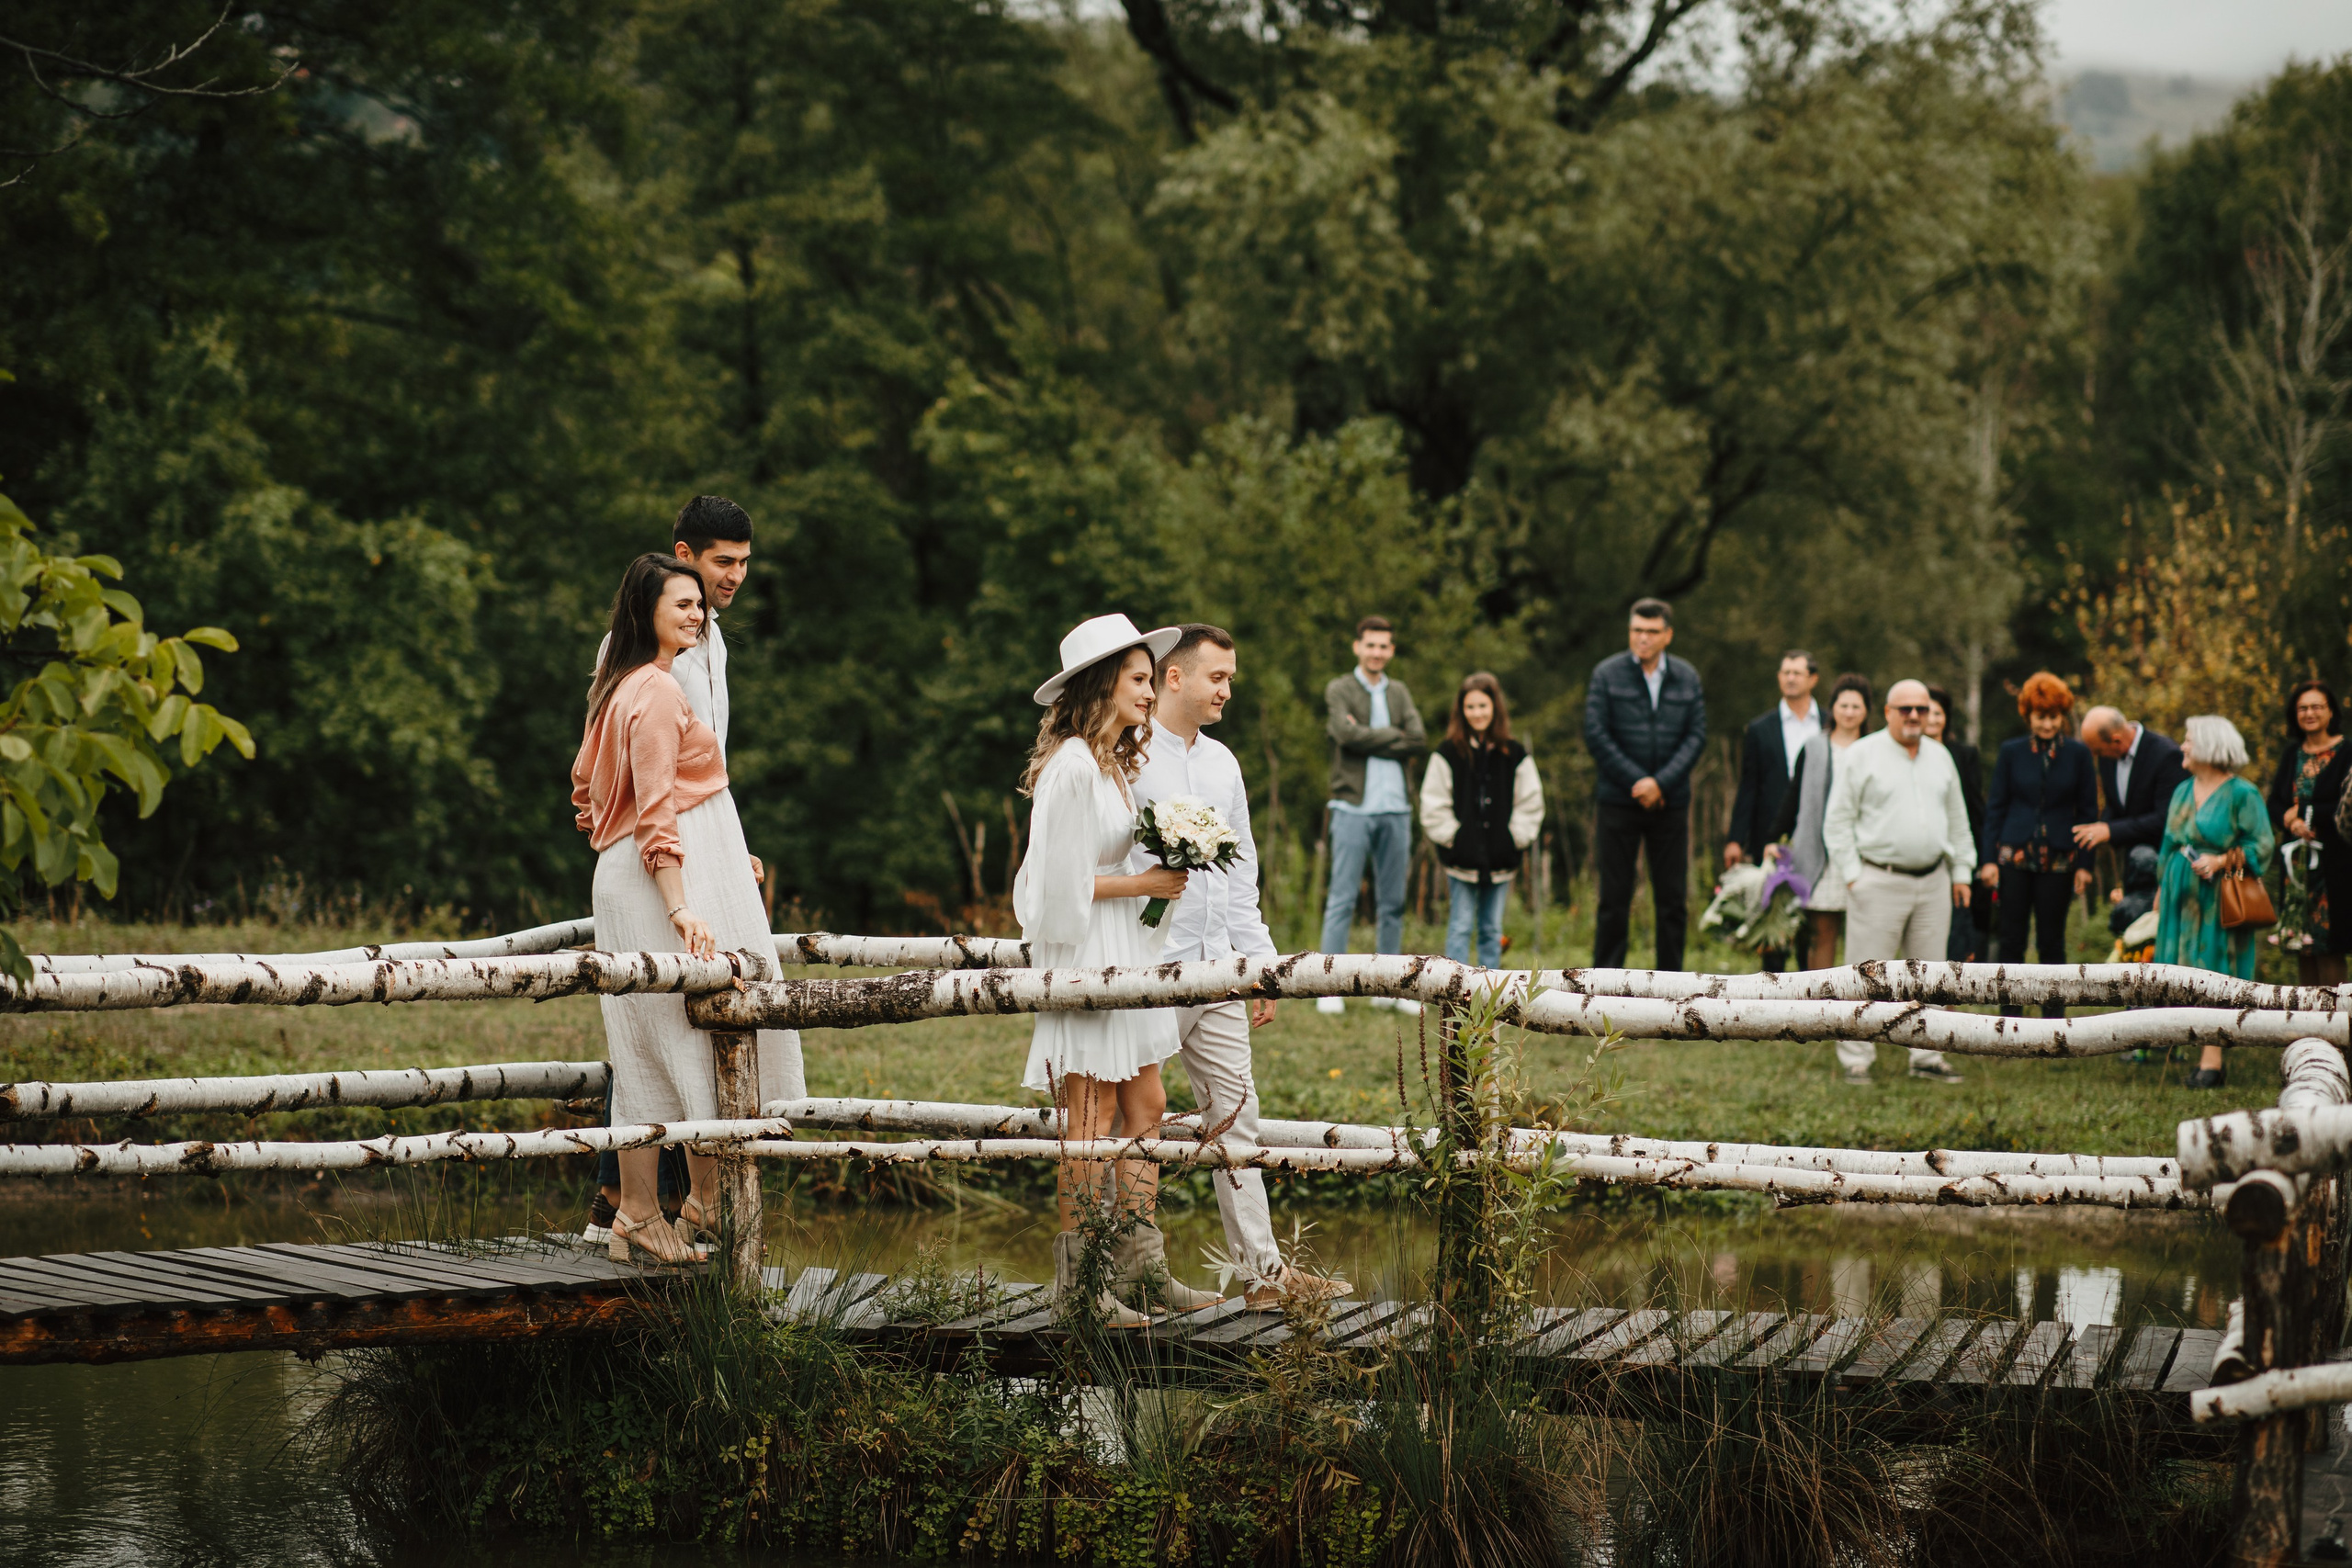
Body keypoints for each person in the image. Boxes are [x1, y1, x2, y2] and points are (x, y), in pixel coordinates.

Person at [582, 497, 805, 1248]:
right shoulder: (647, 678)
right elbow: (648, 798)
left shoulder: (677, 664)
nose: (715, 599)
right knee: (671, 1033)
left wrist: (716, 840)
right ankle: (636, 1207)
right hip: (661, 866)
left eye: (745, 564)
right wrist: (670, 870)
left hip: (682, 852)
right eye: (715, 572)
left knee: (680, 1029)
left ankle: (685, 1205)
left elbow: (599, 784)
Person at [1134, 626, 1350, 1308]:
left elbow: (1241, 872)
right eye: (1217, 677)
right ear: (1175, 678)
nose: (1227, 690)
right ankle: (1134, 1271)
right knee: (1133, 1120)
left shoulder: (1225, 763)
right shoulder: (1131, 757)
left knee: (1238, 1114)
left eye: (1230, 679)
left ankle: (1263, 1275)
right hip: (1147, 971)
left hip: (1220, 968)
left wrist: (1258, 963)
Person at [1014, 614, 1193, 1324]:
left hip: (1123, 947)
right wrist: (1144, 884)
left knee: (1145, 1105)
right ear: (1102, 685)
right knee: (1087, 1115)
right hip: (1084, 950)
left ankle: (1141, 1269)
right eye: (1140, 679)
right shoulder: (1070, 767)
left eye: (1151, 680)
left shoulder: (1113, 761)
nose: (1151, 692)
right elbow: (1059, 887)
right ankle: (1081, 1287)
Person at [1821, 679, 1973, 1086]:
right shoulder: (1862, 754)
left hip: (1933, 882)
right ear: (1887, 711)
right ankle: (1856, 1058)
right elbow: (1837, 822)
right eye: (1904, 709)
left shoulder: (1940, 756)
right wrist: (1854, 876)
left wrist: (1962, 871)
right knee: (1864, 974)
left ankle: (1926, 1056)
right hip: (1877, 880)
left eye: (1921, 709)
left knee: (1931, 975)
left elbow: (1958, 820)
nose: (1913, 716)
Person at [1583, 598, 1706, 971]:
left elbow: (1696, 736)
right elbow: (1596, 733)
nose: (1643, 638)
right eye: (1637, 630)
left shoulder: (1687, 677)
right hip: (1618, 800)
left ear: (1667, 635)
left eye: (1652, 632)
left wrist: (1660, 783)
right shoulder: (1607, 674)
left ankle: (1673, 989)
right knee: (1613, 898)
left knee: (1672, 899)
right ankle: (1603, 984)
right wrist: (1637, 781)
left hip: (1669, 802)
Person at [2158, 716, 2278, 1089]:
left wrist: (2222, 860)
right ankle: (2187, 1045)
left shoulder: (2243, 794)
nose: (2182, 746)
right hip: (2181, 893)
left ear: (2209, 746)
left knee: (2213, 970)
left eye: (2189, 739)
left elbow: (2262, 845)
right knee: (2179, 966)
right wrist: (2161, 889)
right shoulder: (2182, 790)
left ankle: (2213, 1060)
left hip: (2220, 898)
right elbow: (2168, 843)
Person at [1316, 616, 1427, 1015]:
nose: (1377, 652)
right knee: (1342, 898)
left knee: (1392, 901)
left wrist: (1367, 734)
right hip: (1352, 807)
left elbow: (1417, 739)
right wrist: (1391, 736)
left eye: (1384, 646)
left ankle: (1389, 987)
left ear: (1391, 651)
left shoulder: (1399, 691)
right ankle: (1328, 986)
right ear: (1357, 647)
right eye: (1371, 645)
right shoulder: (1339, 688)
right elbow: (1344, 736)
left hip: (1396, 808)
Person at [1975, 673, 2098, 1015]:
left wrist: (2086, 865)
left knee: (2051, 940)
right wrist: (1988, 860)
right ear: (2028, 715)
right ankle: (2011, 1017)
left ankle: (2052, 1019)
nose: (2047, 723)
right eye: (2040, 716)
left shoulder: (2078, 755)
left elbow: (2089, 812)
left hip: (2059, 860)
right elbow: (1995, 807)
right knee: (2012, 938)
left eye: (2053, 716)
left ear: (2062, 717)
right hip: (2014, 857)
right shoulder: (2011, 752)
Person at [1419, 672, 1545, 968]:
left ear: (1495, 708)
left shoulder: (1514, 754)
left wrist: (1514, 838)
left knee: (1491, 930)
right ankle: (1454, 998)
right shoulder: (1447, 753)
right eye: (1470, 707)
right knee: (1460, 926)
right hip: (1461, 859)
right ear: (1461, 711)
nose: (1477, 713)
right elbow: (1433, 802)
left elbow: (1531, 801)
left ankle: (1491, 1000)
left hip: (1500, 859)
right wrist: (1454, 837)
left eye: (1483, 706)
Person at [1767, 673, 1873, 970]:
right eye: (1844, 705)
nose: (1849, 712)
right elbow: (1794, 797)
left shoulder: (1876, 748)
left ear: (1866, 711)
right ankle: (1819, 1008)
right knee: (1821, 935)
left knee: (1863, 939)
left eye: (1856, 706)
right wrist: (1774, 837)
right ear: (1833, 708)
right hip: (1821, 855)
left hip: (1865, 853)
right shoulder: (1814, 747)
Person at [1725, 651, 1823, 972]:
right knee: (1773, 918)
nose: (1790, 678)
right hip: (1771, 836)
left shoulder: (1828, 726)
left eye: (1797, 672)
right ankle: (1774, 998)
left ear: (1813, 679)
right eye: (1785, 672)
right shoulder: (1759, 728)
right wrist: (1736, 839)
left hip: (1817, 835)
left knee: (1812, 918)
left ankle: (1812, 997)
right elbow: (1748, 787)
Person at [2267, 681, 2347, 987]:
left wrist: (2305, 813)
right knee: (2302, 946)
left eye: (2316, 706)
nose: (2309, 713)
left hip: (2334, 865)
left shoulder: (2347, 751)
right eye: (2303, 708)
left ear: (2330, 712)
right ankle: (2306, 1026)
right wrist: (2289, 821)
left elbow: (2344, 802)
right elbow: (2274, 802)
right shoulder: (2292, 754)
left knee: (2330, 945)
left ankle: (2338, 1024)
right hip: (2296, 866)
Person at [1923, 686, 1991, 964]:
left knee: (1958, 933)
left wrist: (1984, 859)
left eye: (1938, 713)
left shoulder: (1963, 755)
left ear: (1946, 718)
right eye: (1927, 712)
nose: (1932, 719)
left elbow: (1976, 809)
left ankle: (1949, 1004)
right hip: (1925, 853)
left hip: (1957, 853)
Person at [2076, 706, 2188, 857]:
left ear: (2117, 741)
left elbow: (2166, 818)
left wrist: (2111, 830)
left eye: (2098, 751)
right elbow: (2114, 804)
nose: (2095, 756)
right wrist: (2100, 828)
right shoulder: (2108, 755)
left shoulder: (2167, 755)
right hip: (2130, 859)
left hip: (2162, 856)